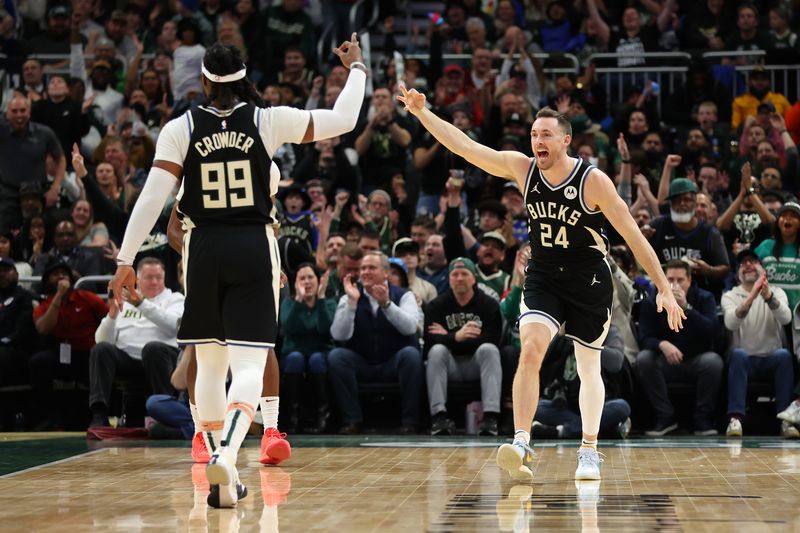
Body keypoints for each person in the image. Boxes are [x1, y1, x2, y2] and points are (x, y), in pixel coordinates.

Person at [108, 38, 367, 508]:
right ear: (244, 77)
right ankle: (228, 450)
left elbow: (151, 199)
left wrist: (126, 260)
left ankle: (221, 481)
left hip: (201, 247)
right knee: (249, 363)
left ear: (204, 80)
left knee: (209, 364)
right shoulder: (267, 121)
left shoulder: (180, 128)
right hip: (252, 243)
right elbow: (345, 119)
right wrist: (357, 69)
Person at [396, 88, 683, 482]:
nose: (537, 141)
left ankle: (589, 449)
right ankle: (521, 441)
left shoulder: (592, 181)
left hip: (589, 280)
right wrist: (422, 113)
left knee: (588, 367)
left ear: (566, 140)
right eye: (534, 134)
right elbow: (465, 147)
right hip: (545, 275)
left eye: (546, 134)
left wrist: (664, 288)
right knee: (529, 350)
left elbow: (633, 234)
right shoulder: (523, 168)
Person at [328, 251, 423, 434]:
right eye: (363, 268)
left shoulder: (404, 295)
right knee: (337, 356)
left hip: (393, 361)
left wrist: (387, 304)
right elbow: (339, 335)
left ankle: (410, 421)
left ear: (385, 272)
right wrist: (352, 304)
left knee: (411, 355)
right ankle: (352, 420)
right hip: (363, 361)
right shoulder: (350, 295)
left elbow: (411, 328)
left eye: (372, 267)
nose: (365, 272)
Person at [88, 257, 184, 428]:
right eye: (149, 277)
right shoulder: (122, 301)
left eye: (159, 277)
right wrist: (111, 315)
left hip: (163, 362)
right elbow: (101, 341)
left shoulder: (175, 299)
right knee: (100, 350)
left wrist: (141, 304)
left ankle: (166, 412)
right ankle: (99, 415)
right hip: (130, 364)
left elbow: (174, 327)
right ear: (137, 279)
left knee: (152, 348)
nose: (154, 282)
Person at [636, 260, 723, 436]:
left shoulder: (704, 298)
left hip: (696, 360)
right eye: (669, 280)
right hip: (664, 362)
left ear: (690, 280)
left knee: (713, 362)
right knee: (644, 359)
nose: (674, 285)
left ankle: (702, 420)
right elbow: (643, 337)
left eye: (680, 280)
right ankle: (665, 417)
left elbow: (713, 332)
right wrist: (662, 344)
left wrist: (687, 308)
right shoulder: (653, 301)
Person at [721, 250, 797, 438]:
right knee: (737, 354)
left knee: (784, 356)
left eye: (752, 261)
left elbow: (787, 318)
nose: (747, 265)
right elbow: (731, 322)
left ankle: (785, 421)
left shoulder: (777, 292)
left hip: (772, 359)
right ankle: (735, 419)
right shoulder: (730, 295)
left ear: (763, 270)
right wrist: (751, 296)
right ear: (738, 272)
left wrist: (767, 295)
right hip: (745, 361)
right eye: (743, 262)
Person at [424, 257, 502, 436]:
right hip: (450, 365)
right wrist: (457, 336)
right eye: (455, 274)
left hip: (477, 364)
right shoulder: (437, 305)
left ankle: (490, 418)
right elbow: (429, 341)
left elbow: (493, 339)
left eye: (464, 274)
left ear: (474, 278)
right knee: (436, 351)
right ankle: (439, 417)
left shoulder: (488, 305)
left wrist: (447, 336)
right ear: (449, 279)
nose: (459, 278)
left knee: (489, 350)